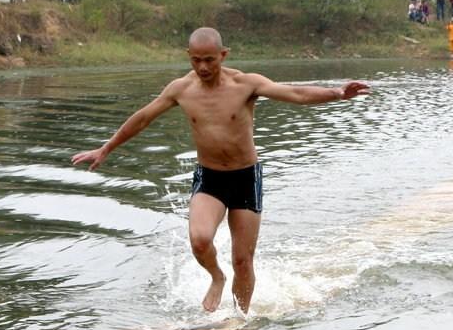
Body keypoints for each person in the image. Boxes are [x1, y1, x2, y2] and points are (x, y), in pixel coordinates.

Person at [71, 27, 369, 313]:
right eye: (195, 60)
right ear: (188, 55)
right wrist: (106, 148)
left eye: (209, 60)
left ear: (223, 55)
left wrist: (337, 93)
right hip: (210, 178)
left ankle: (240, 318)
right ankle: (216, 277)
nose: (202, 67)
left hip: (245, 177)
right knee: (200, 240)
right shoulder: (181, 89)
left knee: (242, 260)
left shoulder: (245, 84)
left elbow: (296, 94)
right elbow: (143, 118)